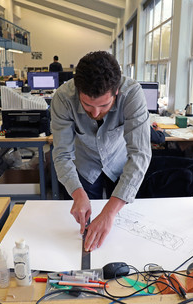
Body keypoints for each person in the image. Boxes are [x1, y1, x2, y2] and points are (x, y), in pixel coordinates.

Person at [51, 51, 151, 252]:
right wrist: (77, 193)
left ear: (117, 92)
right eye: (87, 105)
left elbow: (140, 153)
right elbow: (62, 154)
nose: (95, 113)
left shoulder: (132, 94)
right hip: (85, 166)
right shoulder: (63, 98)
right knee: (85, 223)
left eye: (104, 105)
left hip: (120, 164)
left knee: (121, 227)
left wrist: (109, 213)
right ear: (78, 90)